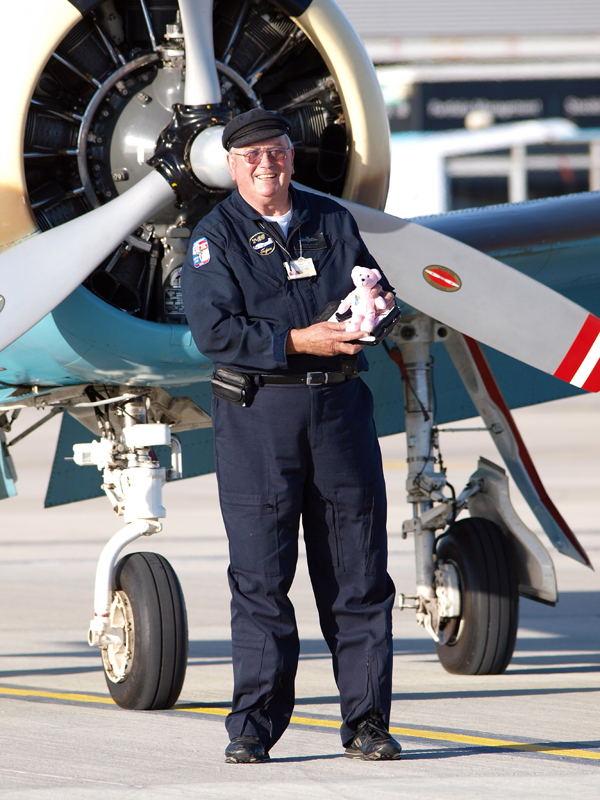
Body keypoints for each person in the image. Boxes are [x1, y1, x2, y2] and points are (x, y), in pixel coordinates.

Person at [181, 109, 401, 763]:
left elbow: (377, 286)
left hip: (339, 414)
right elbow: (213, 333)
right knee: (261, 579)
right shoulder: (212, 238)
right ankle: (253, 726)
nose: (265, 165)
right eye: (251, 157)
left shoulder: (332, 221)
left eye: (275, 152)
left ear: (291, 156)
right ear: (233, 166)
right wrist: (299, 341)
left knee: (359, 577)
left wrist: (381, 311)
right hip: (259, 422)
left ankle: (366, 723)